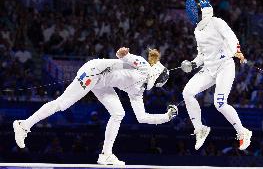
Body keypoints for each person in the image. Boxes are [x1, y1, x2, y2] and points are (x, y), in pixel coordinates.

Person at [13, 47, 178, 165]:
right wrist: (123, 53)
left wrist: (167, 116)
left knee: (118, 113)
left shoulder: (138, 91)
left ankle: (106, 154)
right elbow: (123, 55)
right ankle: (24, 125)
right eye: (159, 82)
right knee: (62, 104)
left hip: (103, 83)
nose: (157, 85)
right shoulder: (142, 65)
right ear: (156, 75)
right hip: (94, 71)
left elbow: (142, 118)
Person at [181, 0, 252, 151]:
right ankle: (200, 129)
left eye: (194, 10)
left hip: (224, 67)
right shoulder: (197, 30)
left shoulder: (217, 22)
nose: (191, 14)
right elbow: (202, 55)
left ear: (202, 11)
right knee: (187, 92)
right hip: (209, 69)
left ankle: (242, 132)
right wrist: (192, 64)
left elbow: (231, 37)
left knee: (219, 104)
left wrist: (237, 51)